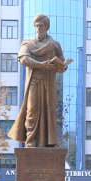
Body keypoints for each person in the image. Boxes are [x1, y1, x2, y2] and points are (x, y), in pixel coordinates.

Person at [10, 14, 71, 147]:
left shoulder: (54, 45)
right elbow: (24, 59)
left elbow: (60, 65)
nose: (39, 28)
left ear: (46, 27)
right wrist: (41, 65)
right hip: (34, 82)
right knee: (32, 110)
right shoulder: (28, 43)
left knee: (49, 112)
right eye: (37, 26)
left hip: (49, 84)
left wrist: (63, 66)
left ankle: (49, 142)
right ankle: (31, 141)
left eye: (41, 26)